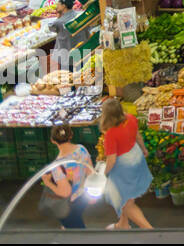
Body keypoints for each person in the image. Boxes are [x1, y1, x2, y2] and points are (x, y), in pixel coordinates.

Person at [99, 98, 152, 230]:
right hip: (136, 157)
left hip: (124, 167)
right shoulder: (130, 118)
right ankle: (123, 225)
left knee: (125, 203)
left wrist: (103, 173)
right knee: (127, 196)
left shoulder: (110, 134)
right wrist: (144, 149)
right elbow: (138, 136)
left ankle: (149, 230)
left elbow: (112, 159)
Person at [39, 124, 93, 229]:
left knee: (79, 233)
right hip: (82, 197)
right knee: (77, 225)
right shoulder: (81, 149)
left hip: (69, 206)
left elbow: (65, 192)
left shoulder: (58, 165)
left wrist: (48, 183)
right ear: (71, 135)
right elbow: (90, 171)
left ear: (52, 140)